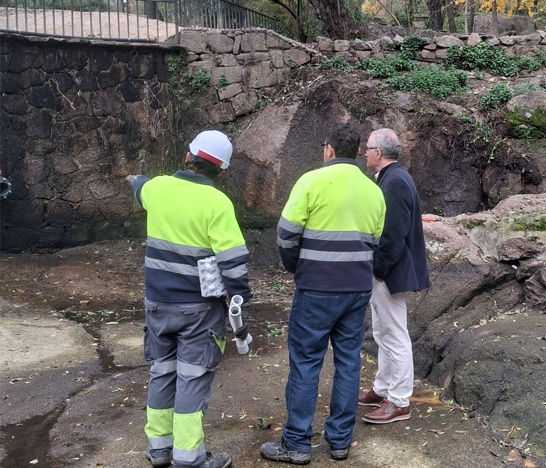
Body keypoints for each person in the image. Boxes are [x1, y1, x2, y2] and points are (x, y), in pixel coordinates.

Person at [261, 123, 386, 465]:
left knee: (305, 363)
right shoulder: (373, 190)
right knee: (349, 362)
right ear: (357, 151)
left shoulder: (311, 181)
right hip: (357, 289)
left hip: (316, 288)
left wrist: (296, 266)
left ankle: (297, 443)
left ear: (329, 148)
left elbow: (286, 234)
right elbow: (375, 241)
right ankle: (340, 442)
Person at [129, 129, 252, 468]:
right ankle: (190, 458)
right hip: (199, 311)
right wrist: (241, 305)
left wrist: (136, 179)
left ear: (188, 156)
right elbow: (233, 264)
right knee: (192, 377)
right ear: (221, 171)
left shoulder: (157, 189)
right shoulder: (216, 203)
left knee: (162, 372)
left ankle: (159, 449)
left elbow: (140, 186)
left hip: (157, 305)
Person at [358, 128, 431, 424]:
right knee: (383, 331)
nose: (364, 153)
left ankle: (399, 401)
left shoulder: (396, 181)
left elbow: (393, 234)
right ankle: (383, 387)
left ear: (378, 153)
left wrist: (378, 270)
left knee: (395, 334)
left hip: (390, 272)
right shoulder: (391, 177)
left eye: (367, 148)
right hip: (388, 271)